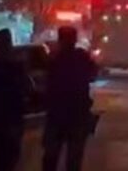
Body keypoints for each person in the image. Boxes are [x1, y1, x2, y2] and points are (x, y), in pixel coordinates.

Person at [42, 26, 98, 171]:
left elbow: (47, 83)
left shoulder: (54, 58)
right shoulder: (80, 57)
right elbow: (93, 74)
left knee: (51, 157)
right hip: (76, 114)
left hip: (58, 114)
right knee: (73, 159)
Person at [0, 29, 31, 171]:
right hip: (12, 117)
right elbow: (27, 87)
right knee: (10, 155)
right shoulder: (16, 66)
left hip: (0, 118)